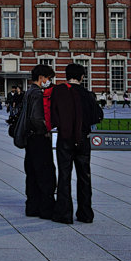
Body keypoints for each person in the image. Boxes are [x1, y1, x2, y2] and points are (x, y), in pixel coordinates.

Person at [48, 63, 98, 224]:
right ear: (82, 77)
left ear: (66, 75)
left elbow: (52, 113)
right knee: (84, 176)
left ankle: (64, 213)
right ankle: (85, 213)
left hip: (65, 137)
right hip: (83, 138)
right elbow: (98, 115)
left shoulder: (58, 91)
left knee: (64, 175)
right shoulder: (88, 94)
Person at [19, 64, 57, 218]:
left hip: (29, 137)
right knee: (45, 172)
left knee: (32, 173)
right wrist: (46, 129)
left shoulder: (28, 92)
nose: (49, 81)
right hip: (39, 137)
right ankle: (46, 208)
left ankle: (32, 206)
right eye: (48, 78)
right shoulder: (38, 94)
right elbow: (37, 117)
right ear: (41, 78)